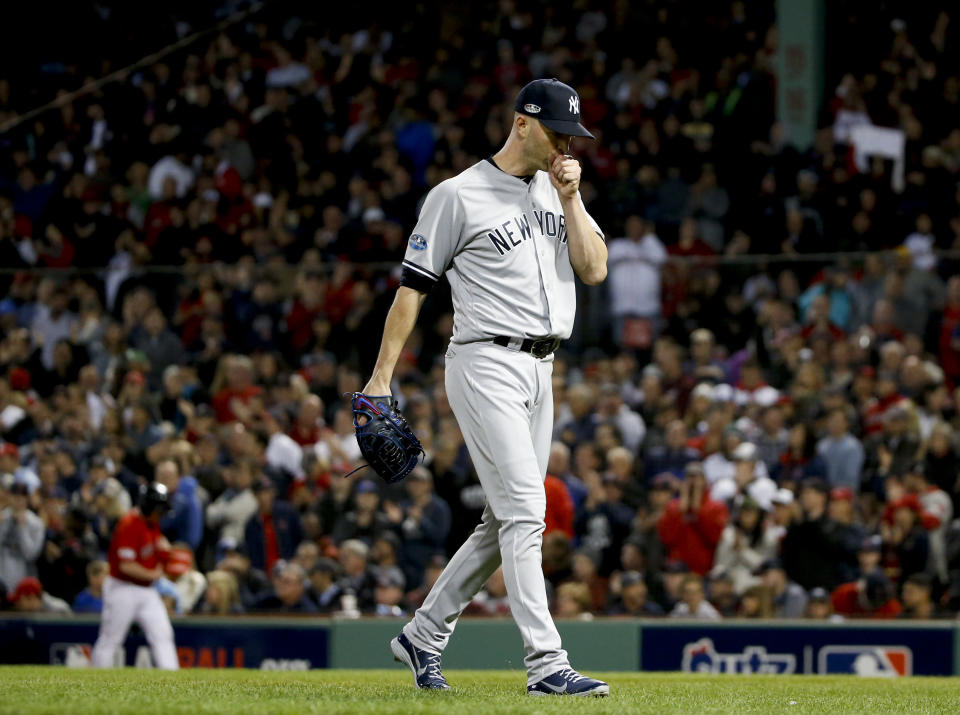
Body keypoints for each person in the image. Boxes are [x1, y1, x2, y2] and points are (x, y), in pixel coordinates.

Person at [362, 78, 609, 695]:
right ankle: (546, 664)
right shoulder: (457, 195)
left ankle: (422, 635)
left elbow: (595, 268)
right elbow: (412, 290)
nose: (567, 146)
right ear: (522, 123)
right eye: (559, 132)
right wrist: (381, 376)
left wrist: (573, 200)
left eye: (574, 137)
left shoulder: (560, 191)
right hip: (485, 363)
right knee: (528, 509)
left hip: (543, 368)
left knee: (503, 521)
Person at [90, 483, 179, 670]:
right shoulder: (129, 524)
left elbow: (158, 548)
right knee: (111, 638)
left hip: (146, 590)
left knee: (163, 633)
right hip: (122, 587)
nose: (161, 514)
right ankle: (95, 678)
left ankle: (172, 677)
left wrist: (164, 554)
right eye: (158, 509)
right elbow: (126, 566)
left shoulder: (152, 524)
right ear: (149, 507)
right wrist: (153, 574)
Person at [0, 483, 45, 593]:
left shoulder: (36, 523)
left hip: (23, 579)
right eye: (15, 496)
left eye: (21, 497)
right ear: (9, 497)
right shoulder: (2, 518)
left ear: (27, 499)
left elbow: (30, 555)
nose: (18, 500)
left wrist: (22, 529)